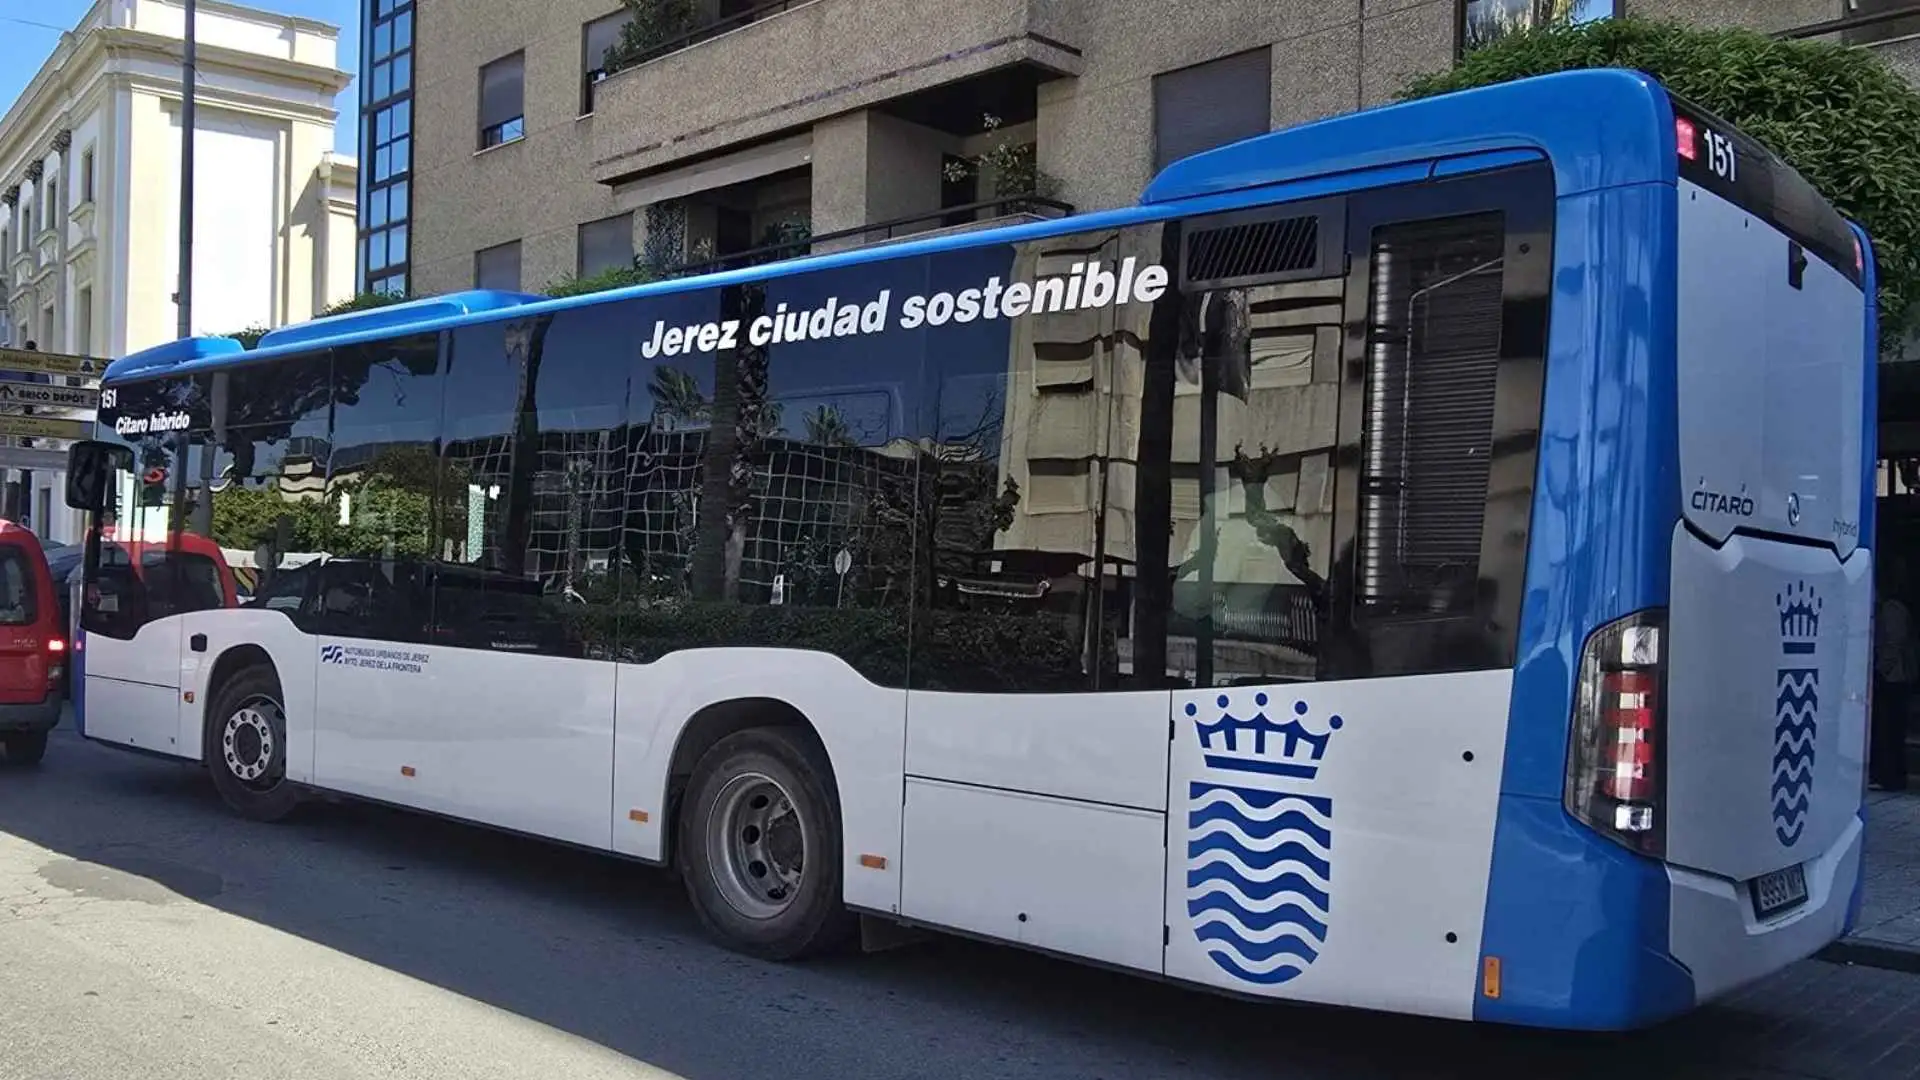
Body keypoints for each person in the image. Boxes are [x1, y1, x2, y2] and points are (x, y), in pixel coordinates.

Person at [1872, 559, 1914, 791]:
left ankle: (1892, 776)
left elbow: (1893, 644)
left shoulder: (1892, 609)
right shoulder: (1892, 608)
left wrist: (1880, 670)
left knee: (1890, 729)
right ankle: (1891, 775)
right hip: (1894, 677)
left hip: (1893, 679)